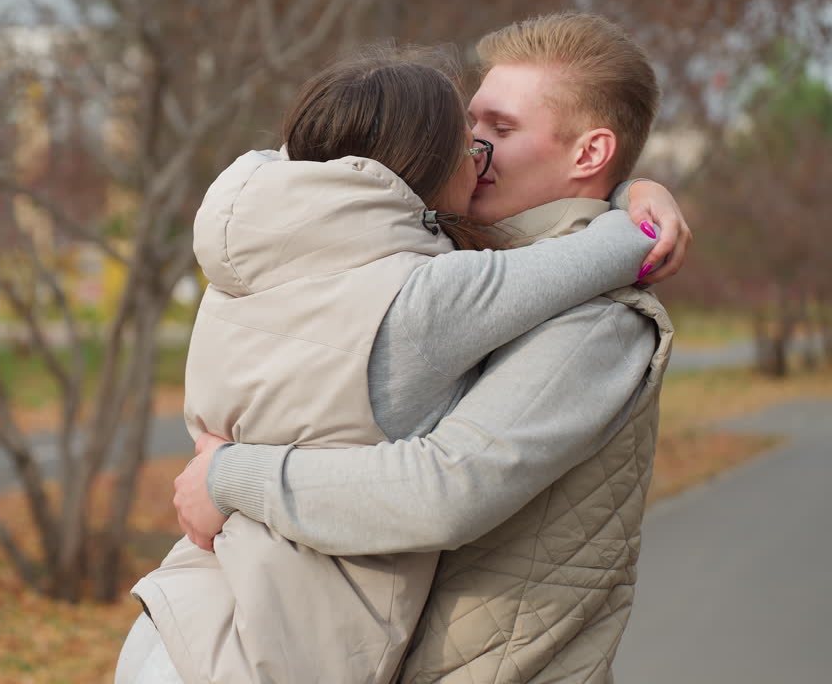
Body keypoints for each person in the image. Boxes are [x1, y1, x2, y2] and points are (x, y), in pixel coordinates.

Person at [116, 34, 681, 684]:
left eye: (499, 127)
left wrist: (230, 477)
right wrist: (635, 201)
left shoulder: (595, 321)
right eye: (468, 125)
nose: (473, 147)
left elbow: (445, 489)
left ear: (590, 151)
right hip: (244, 637)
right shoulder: (433, 271)